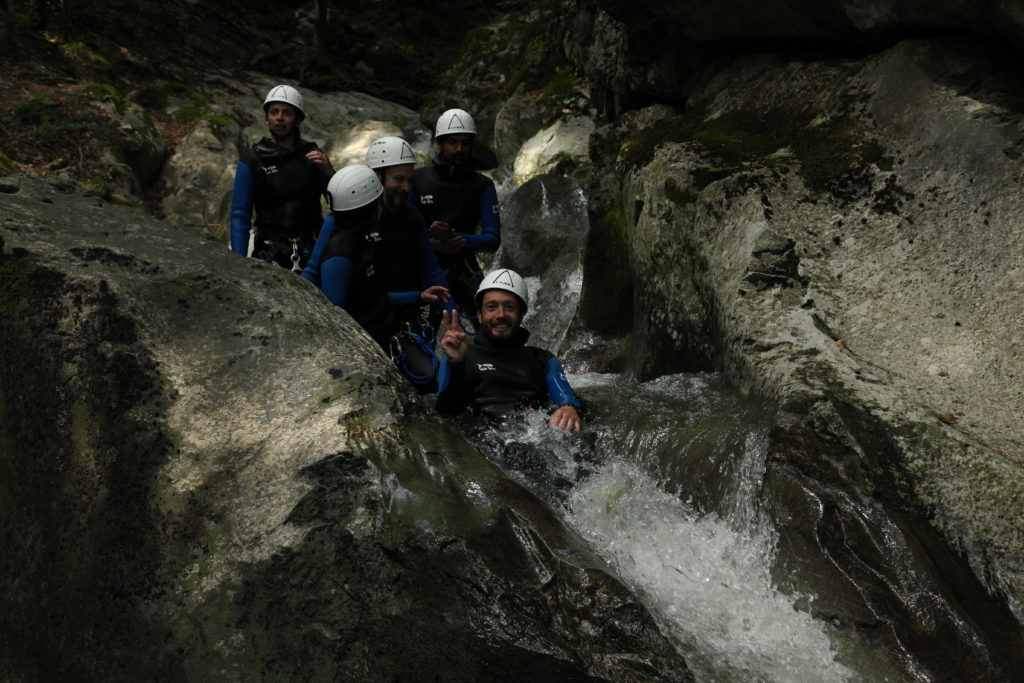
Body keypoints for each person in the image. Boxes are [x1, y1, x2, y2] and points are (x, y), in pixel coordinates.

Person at [436, 269, 582, 433]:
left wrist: (569, 409)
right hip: (485, 438)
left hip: (536, 436)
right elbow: (447, 414)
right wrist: (456, 364)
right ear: (479, 315)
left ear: (521, 314)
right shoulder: (459, 357)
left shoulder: (542, 359)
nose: (501, 315)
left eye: (510, 307)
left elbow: (569, 401)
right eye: (492, 307)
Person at [229, 84, 334, 272]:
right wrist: (239, 262)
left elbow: (338, 203)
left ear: (296, 119)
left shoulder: (313, 155)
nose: (280, 118)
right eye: (274, 112)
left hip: (312, 247)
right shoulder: (252, 160)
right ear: (267, 119)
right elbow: (240, 215)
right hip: (269, 250)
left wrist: (328, 173)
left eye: (287, 113)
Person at [409, 108, 501, 318]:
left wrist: (455, 238)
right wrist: (432, 244)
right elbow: (401, 231)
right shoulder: (418, 180)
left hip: (465, 267)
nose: (459, 148)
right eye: (452, 142)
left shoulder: (482, 185)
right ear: (439, 144)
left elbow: (492, 240)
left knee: (489, 327)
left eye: (465, 143)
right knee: (424, 332)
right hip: (424, 266)